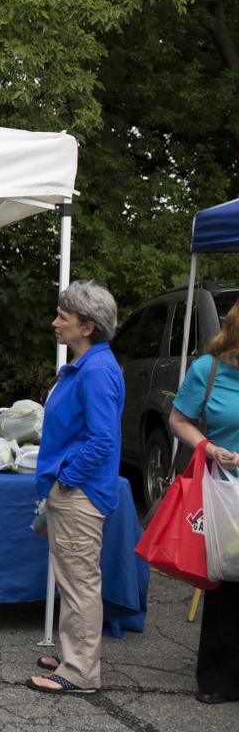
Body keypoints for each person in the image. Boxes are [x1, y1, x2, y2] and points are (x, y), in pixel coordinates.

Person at [27, 280, 124, 695]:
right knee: (73, 576)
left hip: (80, 491)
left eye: (62, 317)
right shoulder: (90, 366)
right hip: (77, 488)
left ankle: (80, 670)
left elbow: (103, 438)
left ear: (87, 326)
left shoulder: (97, 370)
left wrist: (66, 477)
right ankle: (72, 654)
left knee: (80, 580)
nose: (55, 323)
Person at [169, 301, 239, 704]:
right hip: (226, 492)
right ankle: (219, 678)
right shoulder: (207, 370)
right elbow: (179, 420)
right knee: (228, 585)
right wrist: (209, 449)